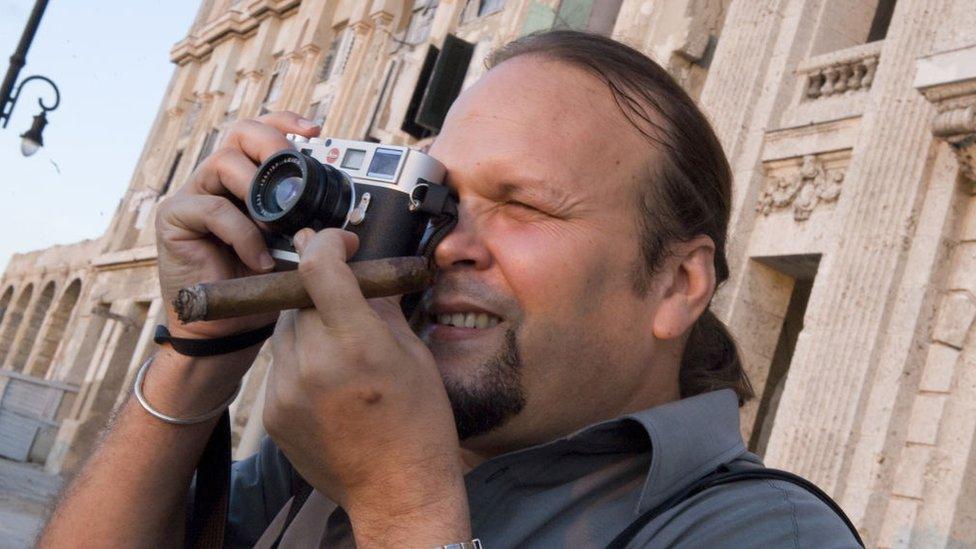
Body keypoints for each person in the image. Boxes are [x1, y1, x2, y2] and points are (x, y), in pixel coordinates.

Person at [39, 31, 861, 548]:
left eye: (524, 205)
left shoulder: (759, 530)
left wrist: (401, 509)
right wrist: (199, 356)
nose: (451, 245)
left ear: (679, 284)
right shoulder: (317, 465)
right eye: (439, 200)